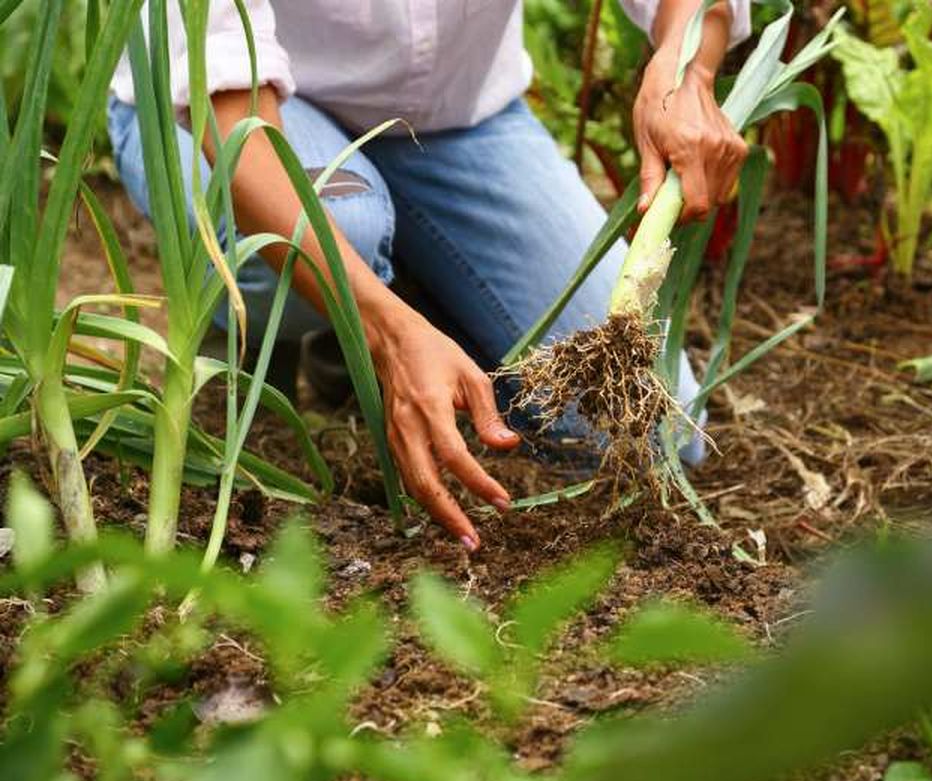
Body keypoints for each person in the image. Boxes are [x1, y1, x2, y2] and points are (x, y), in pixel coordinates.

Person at [107, 0, 750, 552]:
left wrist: (685, 72)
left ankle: (405, 301)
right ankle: (267, 343)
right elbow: (229, 112)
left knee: (653, 432)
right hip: (223, 112)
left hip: (456, 128)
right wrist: (386, 334)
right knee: (346, 227)